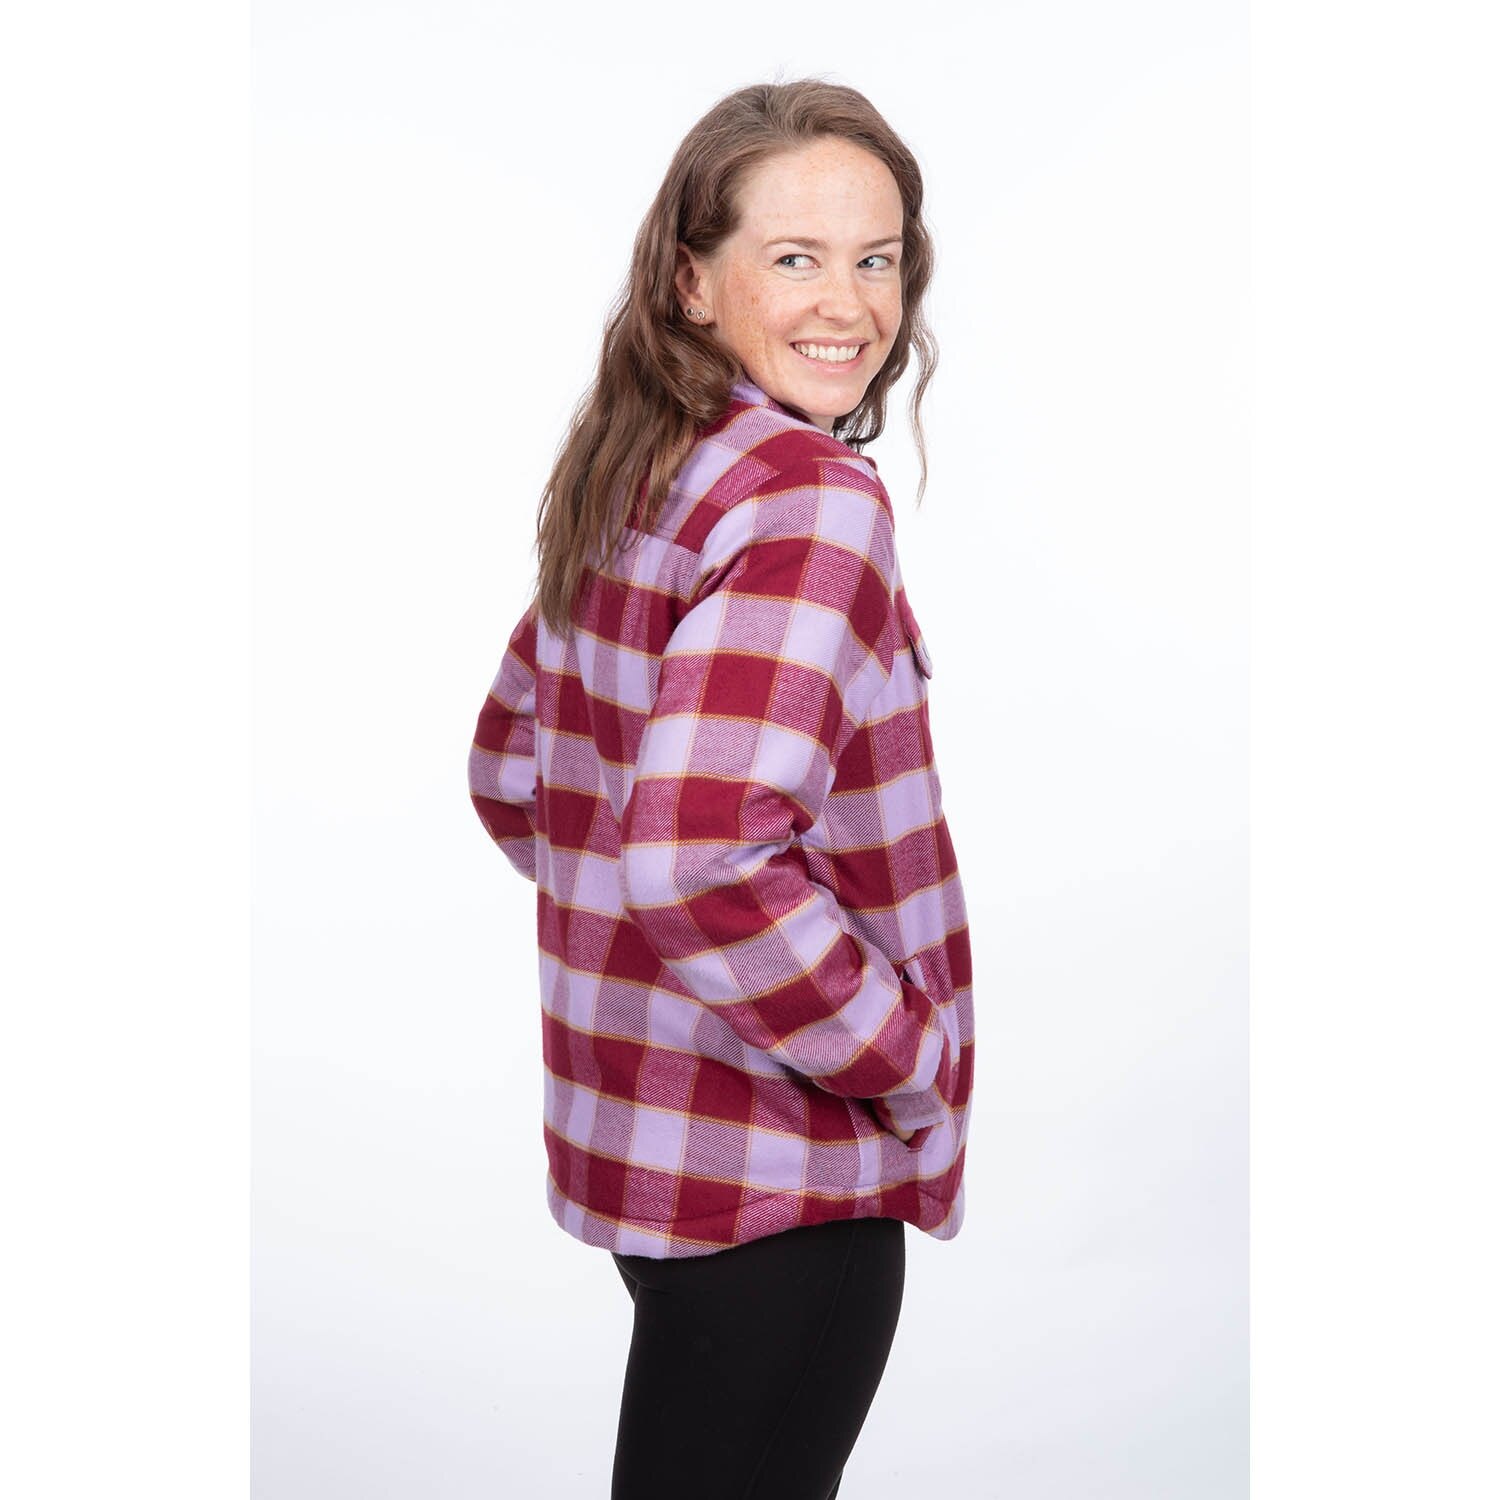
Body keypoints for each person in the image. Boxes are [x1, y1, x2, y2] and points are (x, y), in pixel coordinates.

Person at [467, 77, 975, 1500]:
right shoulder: (809, 498)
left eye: (877, 258)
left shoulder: (643, 466)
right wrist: (904, 1061)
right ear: (692, 280)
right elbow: (698, 859)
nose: (849, 305)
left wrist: (649, 955)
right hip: (787, 1193)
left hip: (654, 1174)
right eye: (795, 257)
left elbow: (513, 772)